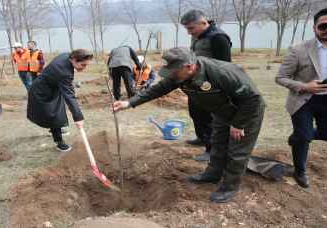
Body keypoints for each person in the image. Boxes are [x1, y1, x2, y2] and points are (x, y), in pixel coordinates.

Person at [113, 47, 265, 203]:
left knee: (237, 151)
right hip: (222, 112)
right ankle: (213, 174)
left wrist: (239, 124)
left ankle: (229, 187)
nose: (171, 75)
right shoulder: (180, 75)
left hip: (246, 113)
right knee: (218, 143)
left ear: (189, 66)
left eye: (174, 71)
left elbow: (252, 99)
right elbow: (158, 89)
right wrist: (129, 102)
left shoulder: (221, 72)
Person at [275, 8, 327, 188]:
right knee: (304, 138)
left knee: (321, 133)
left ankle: (297, 136)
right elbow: (280, 77)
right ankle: (300, 171)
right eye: (323, 26)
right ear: (314, 28)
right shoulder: (298, 50)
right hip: (304, 100)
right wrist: (305, 86)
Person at [180, 9, 232, 161]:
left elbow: (225, 66)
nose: (189, 33)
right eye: (187, 29)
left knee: (209, 118)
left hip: (211, 86)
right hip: (196, 82)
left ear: (204, 23)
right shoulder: (198, 36)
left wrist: (218, 88)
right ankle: (201, 138)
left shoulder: (218, 38)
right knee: (195, 113)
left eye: (191, 28)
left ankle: (211, 149)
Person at [27, 49, 93, 152]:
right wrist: (78, 117)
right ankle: (59, 142)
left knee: (58, 112)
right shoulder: (64, 72)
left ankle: (56, 129)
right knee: (53, 114)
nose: (84, 68)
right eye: (83, 65)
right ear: (74, 60)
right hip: (42, 91)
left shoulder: (67, 55)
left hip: (53, 88)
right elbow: (70, 96)